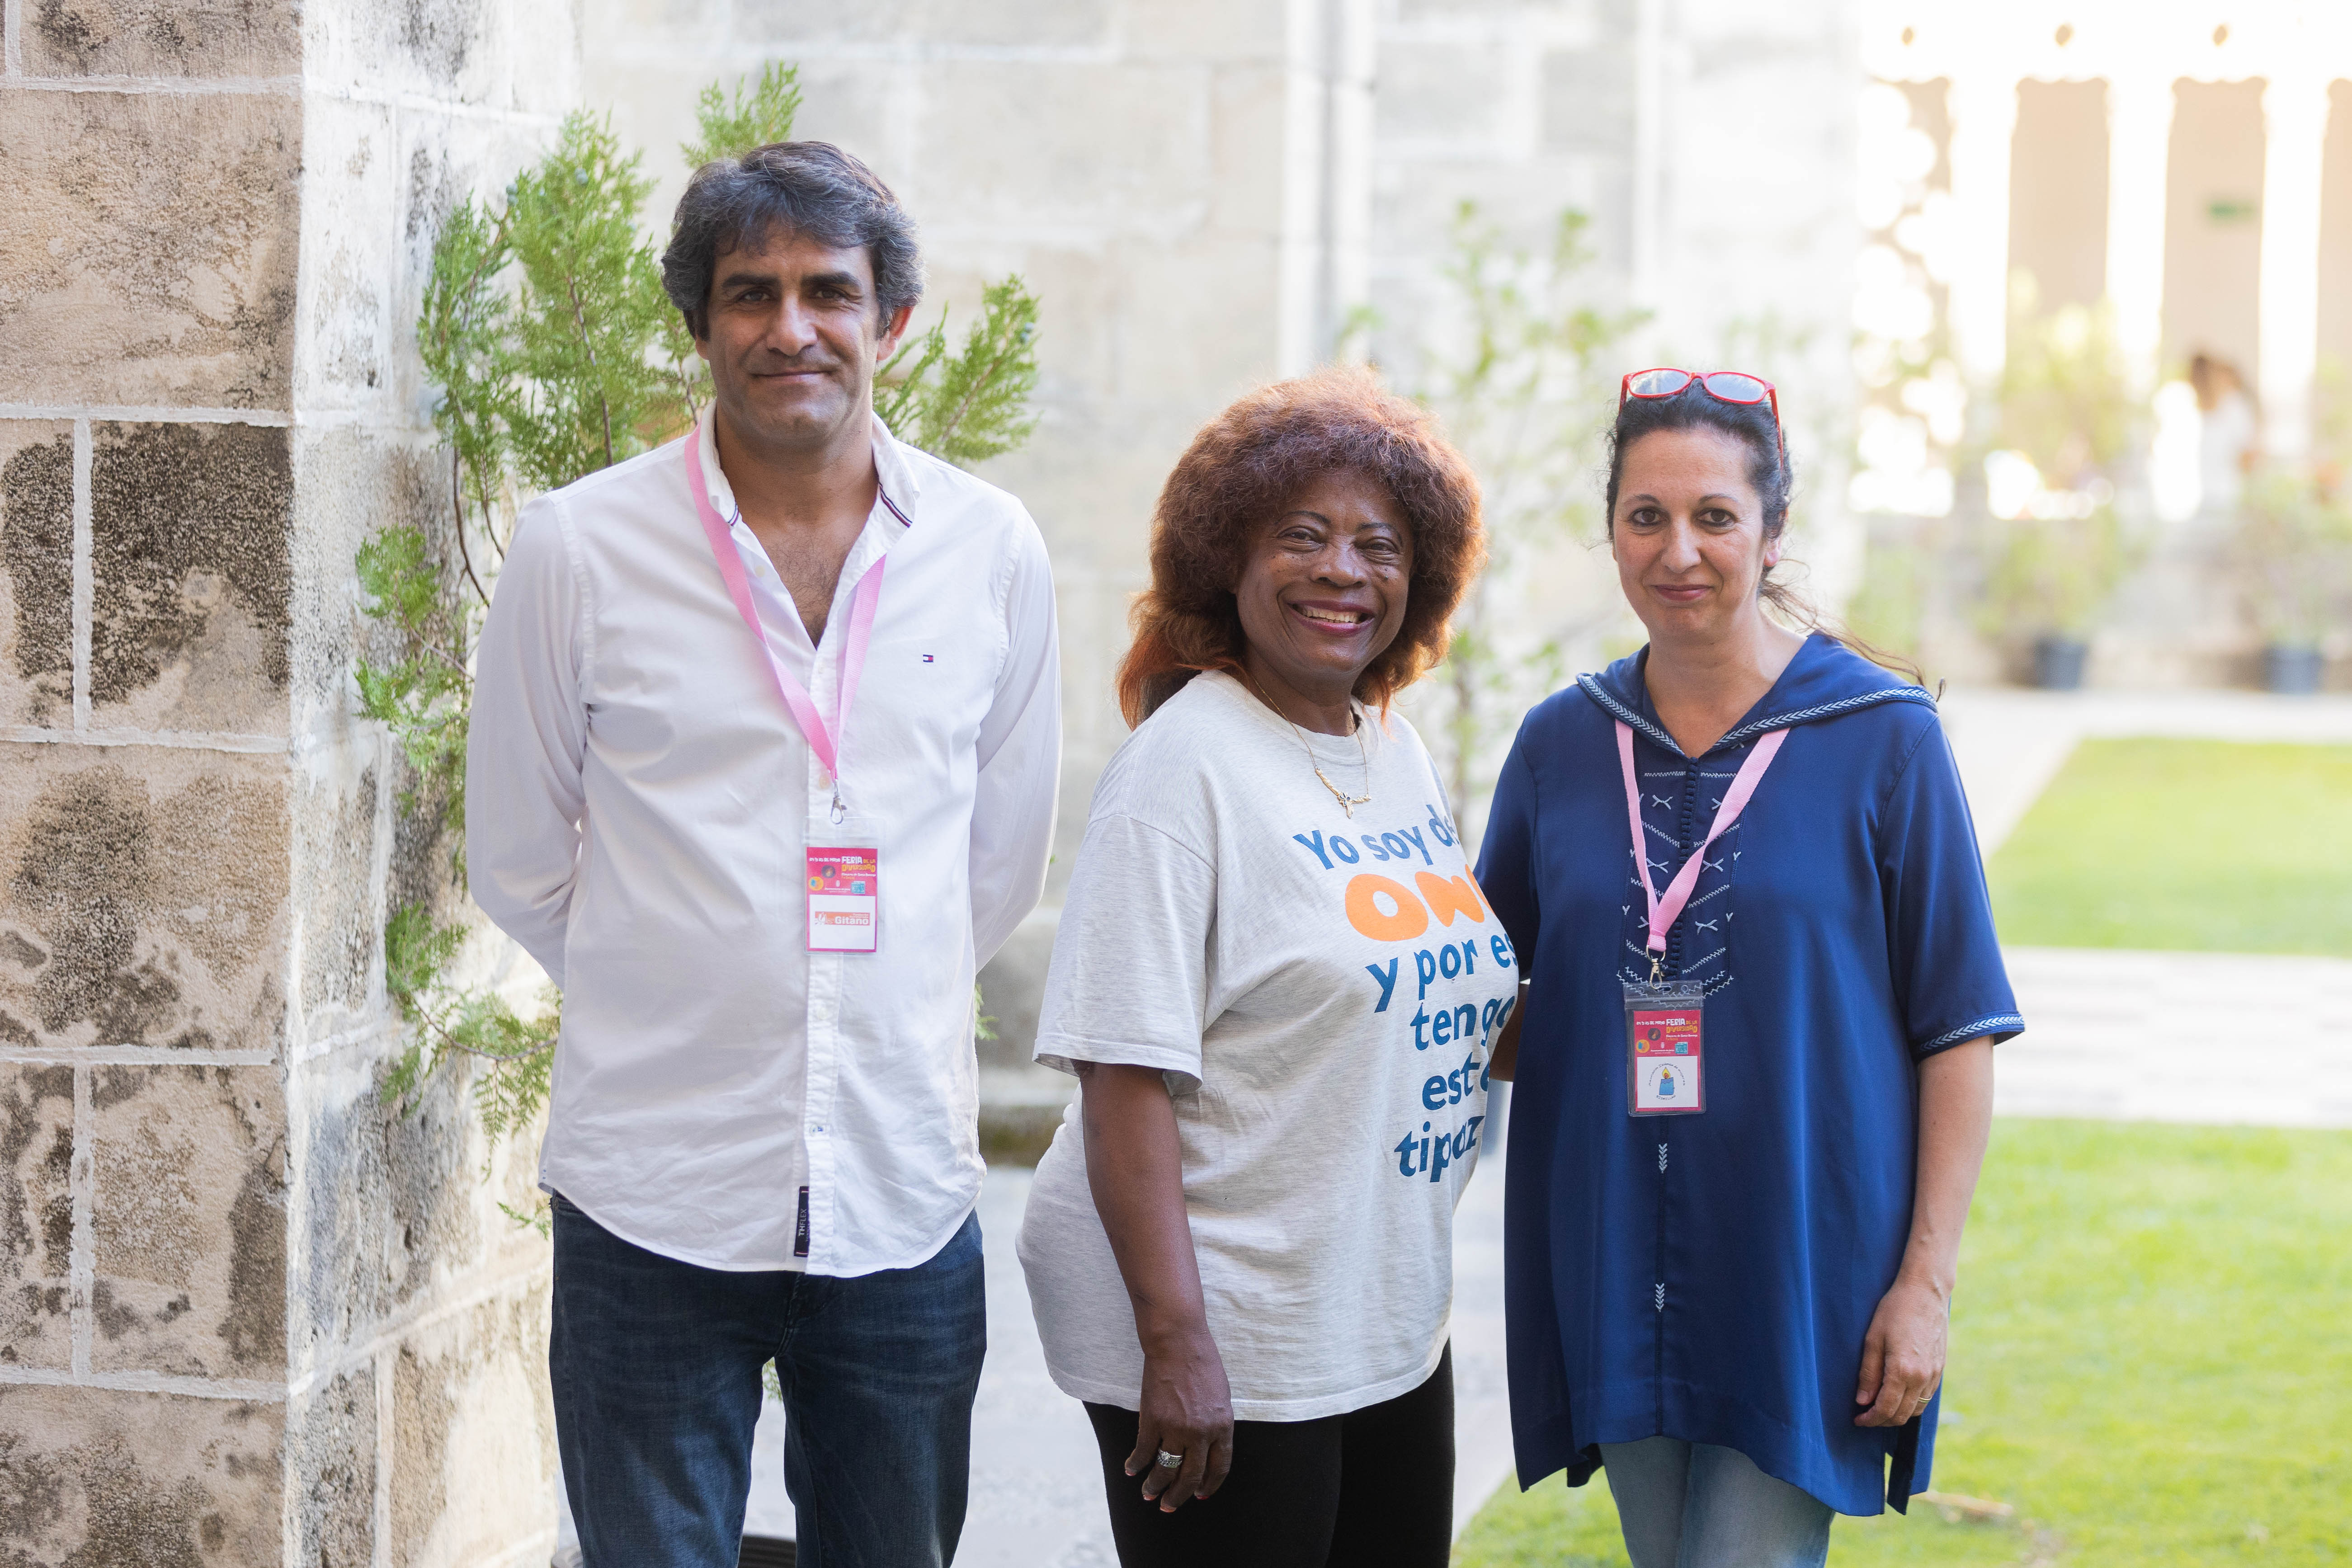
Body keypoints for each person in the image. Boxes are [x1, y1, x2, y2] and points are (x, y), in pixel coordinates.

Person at [466, 142, 1061, 1568]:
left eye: (827, 292)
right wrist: (675, 979)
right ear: (701, 326)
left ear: (889, 324)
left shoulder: (990, 551)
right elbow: (518, 857)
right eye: (749, 295)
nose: (789, 328)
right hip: (652, 1191)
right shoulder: (581, 547)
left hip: (899, 1191)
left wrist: (851, 986)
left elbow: (997, 860)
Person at [1476, 369, 2018, 1567]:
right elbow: (1485, 999)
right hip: (1614, 1251)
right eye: (1645, 516)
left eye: (1713, 516)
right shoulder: (1560, 743)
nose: (1679, 550)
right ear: (1610, 532)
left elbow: (1958, 1028)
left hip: (1802, 1259)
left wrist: (1923, 1284)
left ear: (1771, 530)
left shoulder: (1882, 739)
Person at [1015, 369, 1503, 1568]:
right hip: (1227, 1330)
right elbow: (1120, 1073)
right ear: (1225, 562)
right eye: (1303, 535)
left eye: (1378, 545)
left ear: (1419, 578)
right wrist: (1173, 1346)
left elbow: (1405, 997)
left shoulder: (1387, 750)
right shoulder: (1183, 773)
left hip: (1373, 1309)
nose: (1343, 570)